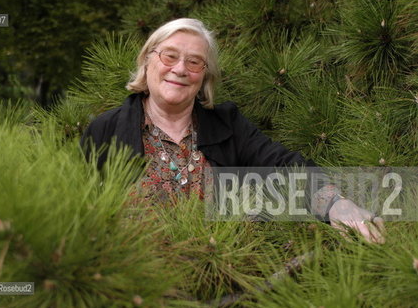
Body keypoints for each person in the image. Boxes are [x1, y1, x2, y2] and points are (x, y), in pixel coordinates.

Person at [80, 18, 384, 243]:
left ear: (204, 76)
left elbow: (283, 166)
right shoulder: (105, 131)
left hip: (223, 282)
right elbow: (83, 215)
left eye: (195, 62)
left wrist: (335, 204)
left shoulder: (226, 124)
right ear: (148, 61)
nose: (181, 69)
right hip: (137, 290)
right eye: (169, 55)